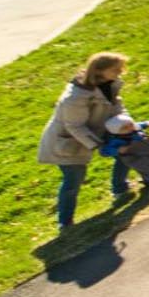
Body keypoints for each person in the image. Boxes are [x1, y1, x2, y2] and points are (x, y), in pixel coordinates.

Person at [37, 51, 132, 228]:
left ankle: (120, 189)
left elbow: (117, 105)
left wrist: (127, 123)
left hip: (96, 130)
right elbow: (75, 127)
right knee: (73, 180)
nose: (121, 71)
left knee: (127, 149)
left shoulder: (109, 84)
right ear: (99, 70)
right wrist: (99, 145)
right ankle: (65, 222)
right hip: (67, 142)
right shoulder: (75, 98)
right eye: (116, 69)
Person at [99, 114, 149, 190]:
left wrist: (146, 123)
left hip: (148, 148)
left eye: (131, 124)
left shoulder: (133, 128)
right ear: (116, 131)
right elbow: (104, 151)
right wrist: (117, 150)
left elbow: (139, 125)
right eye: (125, 128)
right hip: (134, 156)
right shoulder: (115, 140)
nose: (130, 128)